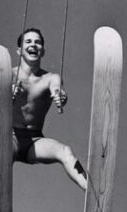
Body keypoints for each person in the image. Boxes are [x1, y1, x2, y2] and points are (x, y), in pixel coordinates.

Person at [12, 27, 87, 191]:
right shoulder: (9, 74)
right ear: (19, 51)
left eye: (38, 42)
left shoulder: (50, 78)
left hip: (35, 142)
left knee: (64, 151)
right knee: (1, 154)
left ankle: (91, 193)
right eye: (28, 41)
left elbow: (57, 89)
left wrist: (60, 96)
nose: (33, 45)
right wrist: (5, 91)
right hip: (10, 138)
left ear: (43, 51)